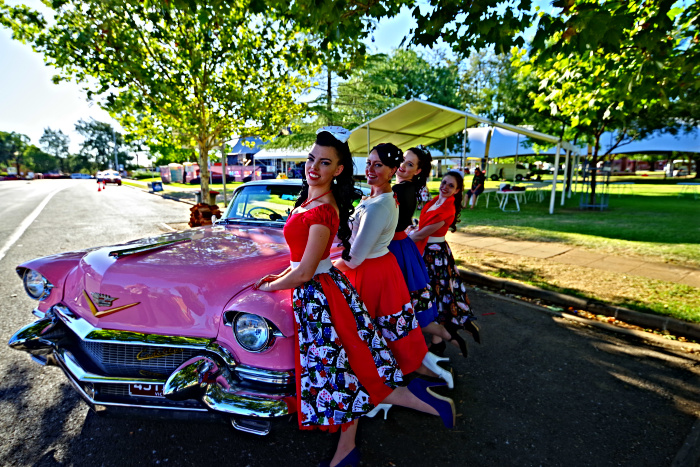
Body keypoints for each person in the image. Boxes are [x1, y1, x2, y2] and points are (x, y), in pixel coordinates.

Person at [255, 128, 456, 467]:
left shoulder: (324, 209)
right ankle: (355, 442)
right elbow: (303, 262)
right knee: (350, 369)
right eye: (310, 159)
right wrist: (282, 276)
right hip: (324, 289)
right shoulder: (313, 200)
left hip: (322, 294)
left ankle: (351, 447)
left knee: (348, 371)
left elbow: (307, 271)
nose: (313, 168)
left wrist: (270, 287)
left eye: (325, 162)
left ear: (338, 170)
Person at [334, 143, 453, 388]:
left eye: (378, 165)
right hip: (388, 252)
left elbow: (358, 253)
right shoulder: (388, 193)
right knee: (390, 320)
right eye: (368, 163)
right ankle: (395, 370)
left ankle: (398, 374)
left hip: (387, 256)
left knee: (388, 319)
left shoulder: (393, 195)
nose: (370, 169)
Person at [410, 171, 481, 357]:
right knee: (432, 295)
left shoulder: (447, 209)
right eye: (443, 182)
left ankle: (442, 337)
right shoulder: (435, 201)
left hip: (435, 256)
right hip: (427, 251)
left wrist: (402, 240)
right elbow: (421, 227)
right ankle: (437, 340)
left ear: (457, 191)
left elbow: (421, 234)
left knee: (434, 294)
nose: (445, 187)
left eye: (450, 185)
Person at [389, 146, 453, 352]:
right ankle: (434, 340)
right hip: (405, 246)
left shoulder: (398, 191)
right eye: (402, 161)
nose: (402, 166)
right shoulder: (406, 189)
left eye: (410, 164)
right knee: (411, 300)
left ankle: (432, 342)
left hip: (399, 248)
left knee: (403, 302)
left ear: (417, 171)